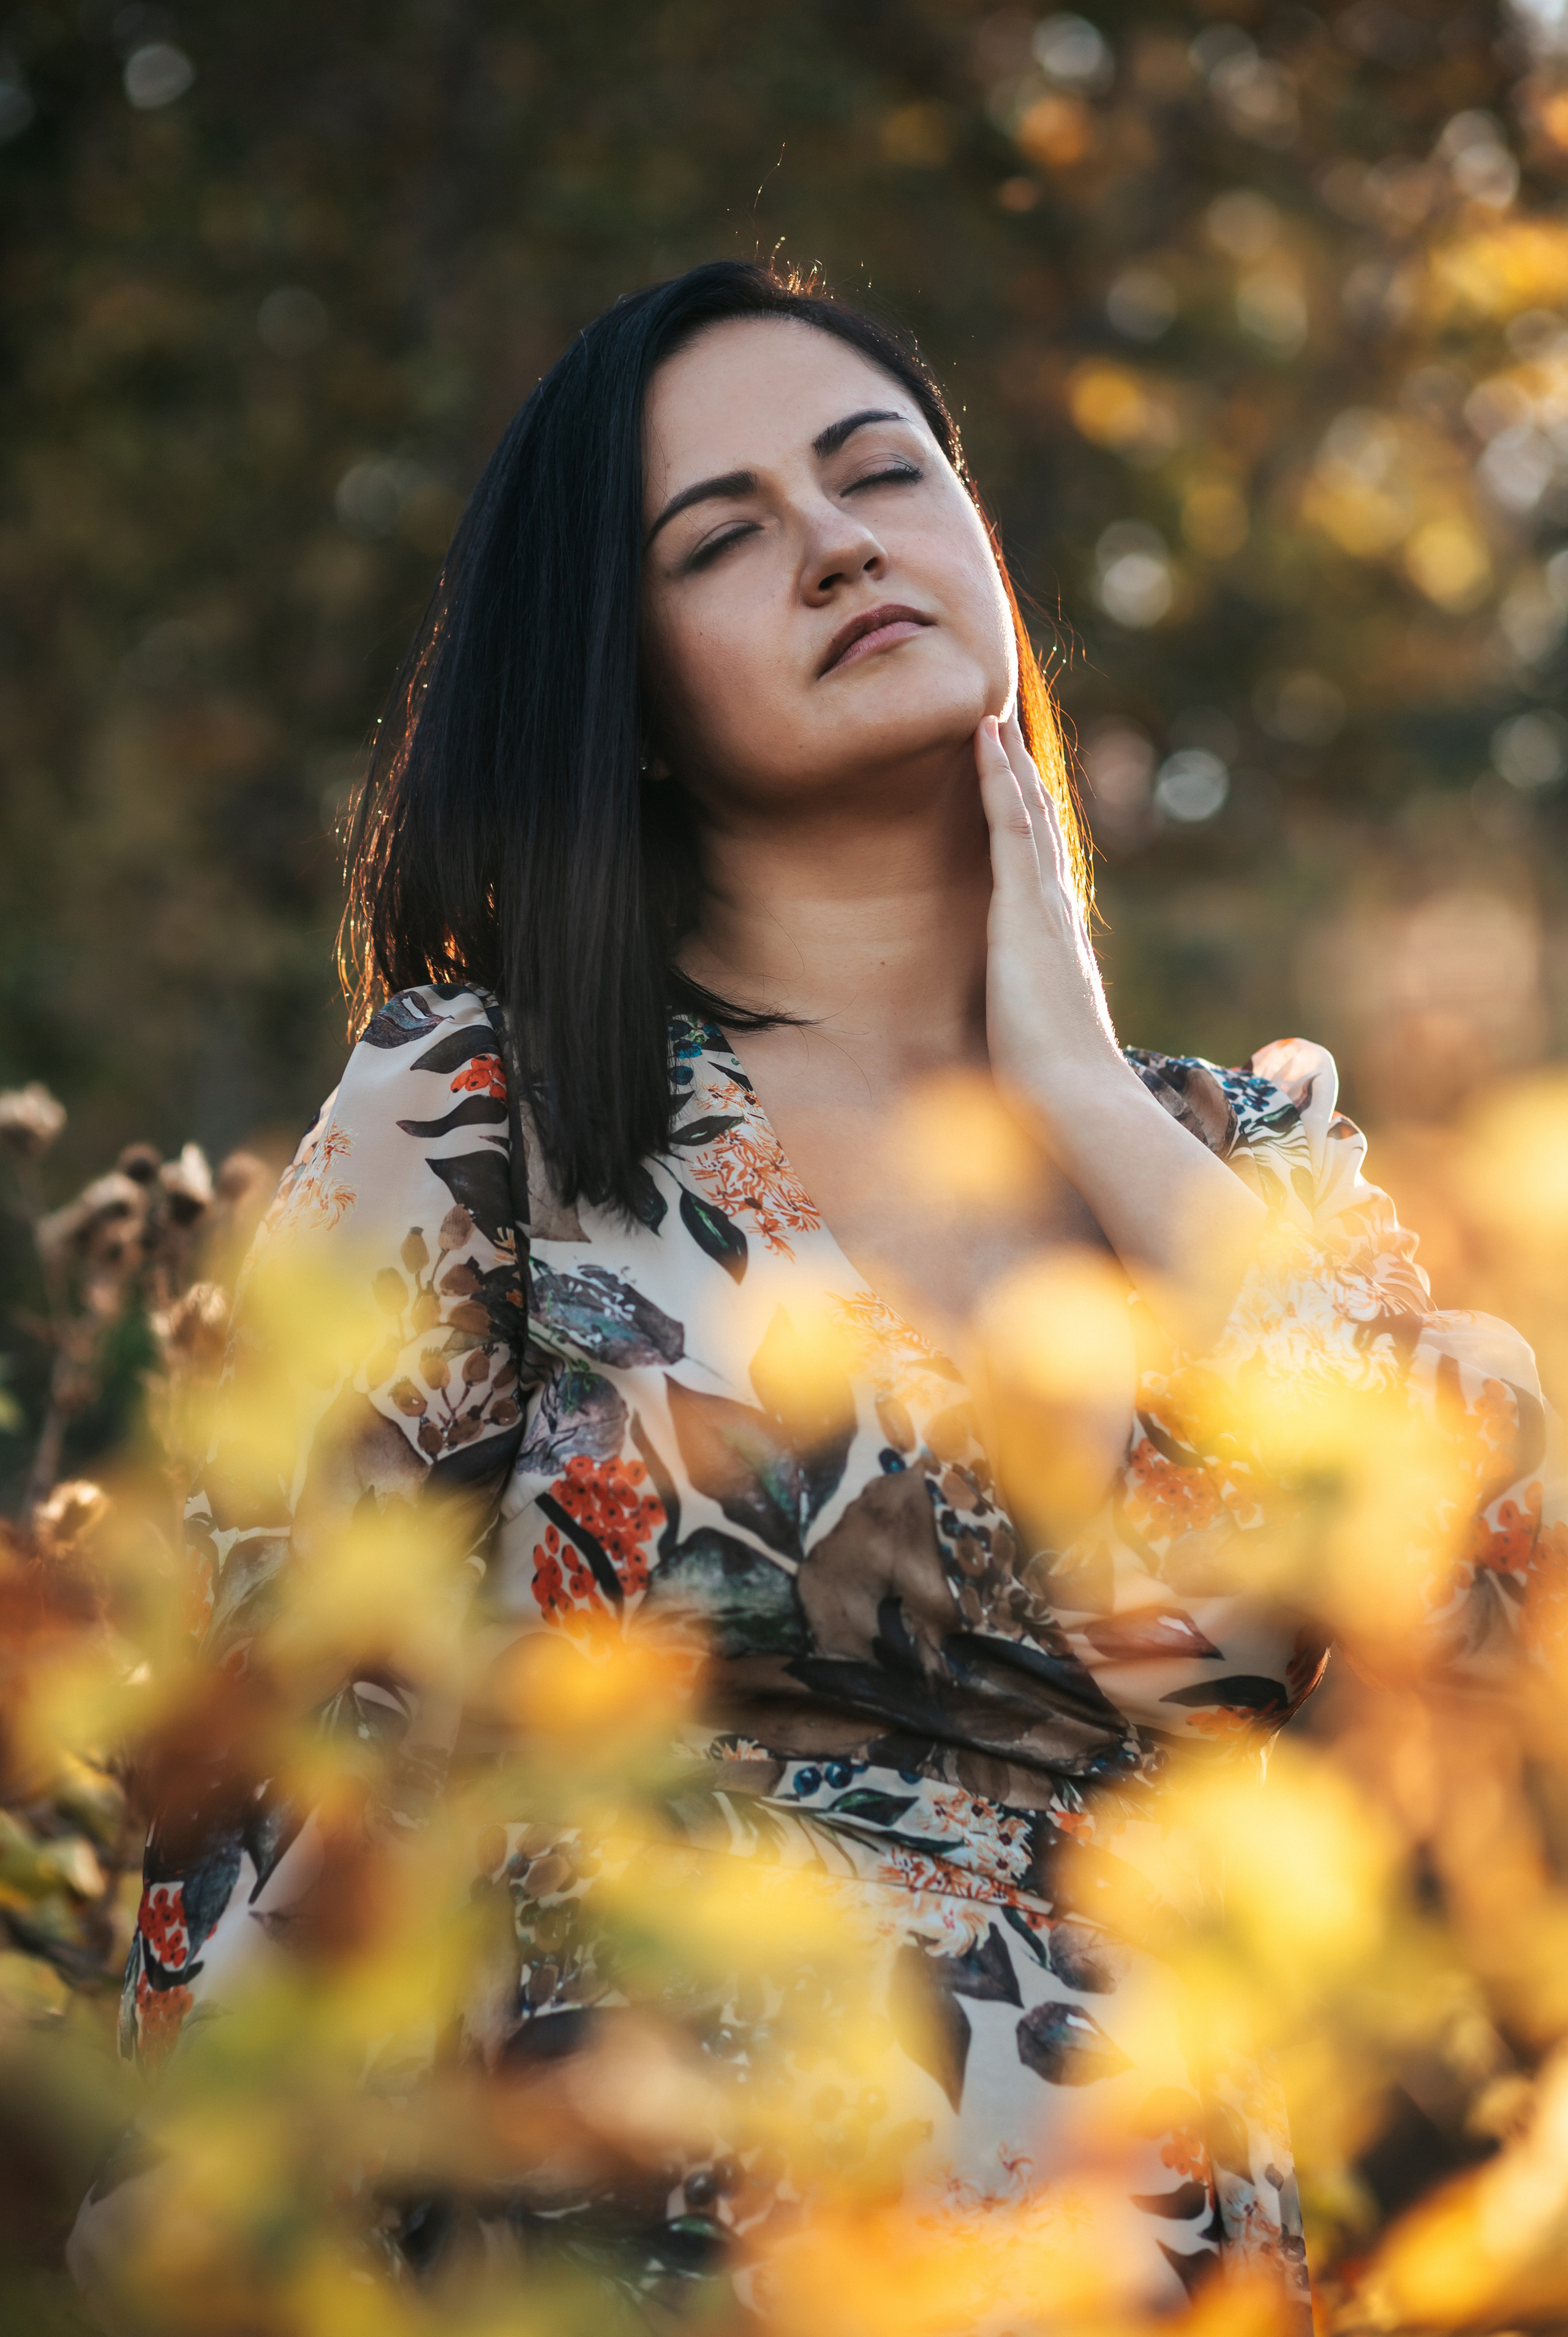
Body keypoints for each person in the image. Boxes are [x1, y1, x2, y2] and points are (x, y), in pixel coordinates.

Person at [72, 262, 1562, 2332]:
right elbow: (271, 1768)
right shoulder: (494, 1110)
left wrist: (1088, 1100)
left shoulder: (1237, 1167)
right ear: (632, 691)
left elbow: (1490, 1625)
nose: (838, 537)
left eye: (881, 473)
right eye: (723, 533)